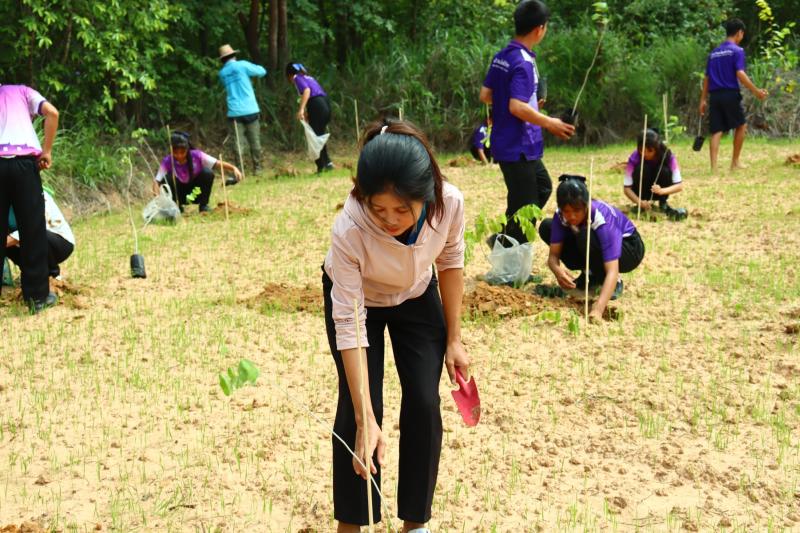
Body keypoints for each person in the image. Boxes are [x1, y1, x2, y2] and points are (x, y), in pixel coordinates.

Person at [322, 119, 469, 533]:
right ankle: (352, 523)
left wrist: (454, 338)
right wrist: (366, 417)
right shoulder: (349, 228)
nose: (390, 219)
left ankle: (415, 523)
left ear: (427, 193)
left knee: (424, 400)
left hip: (417, 295)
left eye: (402, 210)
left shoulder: (449, 203)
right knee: (359, 407)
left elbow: (450, 262)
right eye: (378, 208)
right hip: (359, 303)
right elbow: (349, 322)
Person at [479, 0, 574, 246]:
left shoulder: (502, 56)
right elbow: (516, 107)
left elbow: (486, 95)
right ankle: (508, 253)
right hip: (517, 145)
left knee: (542, 187)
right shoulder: (523, 61)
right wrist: (550, 122)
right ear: (539, 29)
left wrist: (527, 104)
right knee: (526, 207)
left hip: (511, 143)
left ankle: (502, 237)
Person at [539, 175, 645, 322]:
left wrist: (598, 309)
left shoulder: (602, 218)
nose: (572, 216)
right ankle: (589, 275)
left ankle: (609, 282)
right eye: (566, 211)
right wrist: (557, 271)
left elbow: (612, 269)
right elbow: (553, 257)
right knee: (547, 226)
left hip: (629, 249)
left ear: (586, 205)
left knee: (585, 236)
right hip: (591, 242)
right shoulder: (560, 216)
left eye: (577, 210)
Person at [0, 83, 59, 313]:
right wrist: (47, 151)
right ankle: (37, 298)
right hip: (24, 164)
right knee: (32, 229)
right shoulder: (23, 91)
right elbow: (52, 113)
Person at [699, 18, 768, 173]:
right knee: (741, 125)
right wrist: (756, 91)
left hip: (715, 96)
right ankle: (735, 162)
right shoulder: (737, 51)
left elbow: (707, 78)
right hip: (730, 93)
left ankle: (713, 168)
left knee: (716, 130)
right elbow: (740, 73)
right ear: (739, 33)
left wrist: (702, 100)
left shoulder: (714, 53)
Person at [154, 131, 242, 213]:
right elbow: (157, 182)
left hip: (195, 192)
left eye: (182, 152)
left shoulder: (197, 155)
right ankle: (177, 206)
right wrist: (158, 200)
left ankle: (203, 205)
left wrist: (234, 168)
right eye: (176, 153)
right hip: (179, 194)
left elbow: (217, 163)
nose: (179, 156)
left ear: (187, 150)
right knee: (167, 178)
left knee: (207, 173)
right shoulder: (167, 161)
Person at [218, 44, 267, 172]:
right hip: (251, 109)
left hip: (234, 112)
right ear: (234, 55)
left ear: (222, 59)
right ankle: (257, 169)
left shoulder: (222, 73)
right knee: (255, 141)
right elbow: (262, 71)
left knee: (238, 143)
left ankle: (240, 170)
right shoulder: (242, 65)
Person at [6, 190, 74, 280]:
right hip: (28, 242)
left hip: (60, 243)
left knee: (37, 233)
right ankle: (30, 273)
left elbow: (34, 227)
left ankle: (51, 275)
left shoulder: (35, 194)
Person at [623, 129, 687, 221]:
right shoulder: (634, 157)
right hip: (642, 192)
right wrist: (639, 202)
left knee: (664, 170)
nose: (645, 154)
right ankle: (643, 204)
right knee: (642, 169)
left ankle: (663, 203)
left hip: (660, 190)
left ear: (656, 148)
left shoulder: (667, 156)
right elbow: (626, 189)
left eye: (649, 151)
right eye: (641, 150)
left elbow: (679, 186)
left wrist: (662, 191)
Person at [286, 63, 334, 174]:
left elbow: (307, 91)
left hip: (317, 105)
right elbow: (314, 94)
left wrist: (301, 110)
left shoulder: (297, 78)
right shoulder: (308, 77)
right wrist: (308, 112)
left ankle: (321, 166)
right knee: (319, 135)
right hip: (325, 103)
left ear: (289, 75)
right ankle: (327, 163)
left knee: (315, 137)